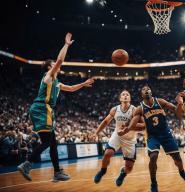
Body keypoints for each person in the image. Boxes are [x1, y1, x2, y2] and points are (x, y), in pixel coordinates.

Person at [17, 33, 94, 182]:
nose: (56, 65)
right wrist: (66, 45)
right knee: (47, 142)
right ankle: (27, 164)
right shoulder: (49, 76)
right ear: (49, 67)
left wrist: (83, 84)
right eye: (53, 64)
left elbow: (71, 88)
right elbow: (60, 60)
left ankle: (57, 172)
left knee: (52, 143)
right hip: (41, 108)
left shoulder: (57, 82)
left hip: (46, 110)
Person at [118, 85, 185, 192]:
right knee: (153, 156)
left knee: (177, 158)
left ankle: (182, 172)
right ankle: (153, 182)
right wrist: (126, 130)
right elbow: (132, 124)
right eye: (144, 90)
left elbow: (177, 113)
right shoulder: (140, 108)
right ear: (141, 95)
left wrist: (180, 104)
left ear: (151, 92)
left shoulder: (160, 101)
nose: (146, 90)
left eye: (148, 89)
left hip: (166, 134)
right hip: (153, 136)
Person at [94, 90, 145, 186]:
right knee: (107, 153)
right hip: (117, 135)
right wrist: (96, 132)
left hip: (130, 140)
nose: (125, 96)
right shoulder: (115, 109)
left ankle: (123, 174)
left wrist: (129, 125)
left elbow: (144, 125)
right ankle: (103, 170)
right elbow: (105, 121)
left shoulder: (135, 110)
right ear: (120, 98)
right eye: (123, 94)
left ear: (130, 98)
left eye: (127, 95)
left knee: (129, 168)